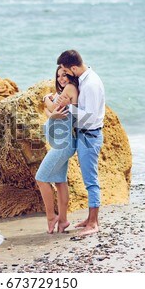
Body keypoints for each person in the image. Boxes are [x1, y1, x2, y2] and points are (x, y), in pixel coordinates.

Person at [56, 50, 105, 236]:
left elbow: (90, 117)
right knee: (89, 180)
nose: (66, 74)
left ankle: (93, 224)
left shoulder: (91, 84)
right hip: (85, 135)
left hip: (89, 136)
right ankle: (90, 219)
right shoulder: (86, 79)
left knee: (91, 182)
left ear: (74, 67)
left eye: (66, 71)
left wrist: (68, 107)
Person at [35, 66, 79, 234]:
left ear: (71, 75)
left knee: (41, 178)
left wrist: (46, 98)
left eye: (65, 75)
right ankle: (63, 220)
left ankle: (51, 217)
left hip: (63, 145)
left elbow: (52, 108)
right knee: (60, 182)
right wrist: (50, 112)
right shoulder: (65, 93)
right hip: (62, 144)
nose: (61, 78)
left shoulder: (70, 89)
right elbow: (52, 112)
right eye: (59, 75)